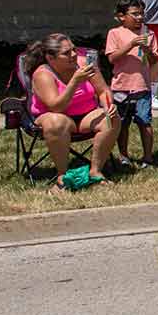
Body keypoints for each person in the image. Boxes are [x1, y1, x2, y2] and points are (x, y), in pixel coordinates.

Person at [25, 33, 119, 194]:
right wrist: (75, 81)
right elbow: (56, 107)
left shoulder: (85, 64)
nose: (74, 55)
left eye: (74, 50)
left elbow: (103, 91)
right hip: (54, 117)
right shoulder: (42, 74)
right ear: (50, 57)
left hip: (85, 115)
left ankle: (95, 172)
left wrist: (108, 105)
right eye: (66, 53)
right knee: (56, 121)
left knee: (112, 119)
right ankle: (63, 176)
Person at [104, 0, 157, 170]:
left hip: (142, 86)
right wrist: (131, 45)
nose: (139, 17)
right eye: (134, 14)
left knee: (144, 121)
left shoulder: (149, 33)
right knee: (122, 123)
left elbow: (154, 61)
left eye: (141, 13)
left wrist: (148, 50)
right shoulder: (115, 33)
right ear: (121, 16)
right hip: (121, 87)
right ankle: (124, 155)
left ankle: (148, 157)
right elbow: (112, 57)